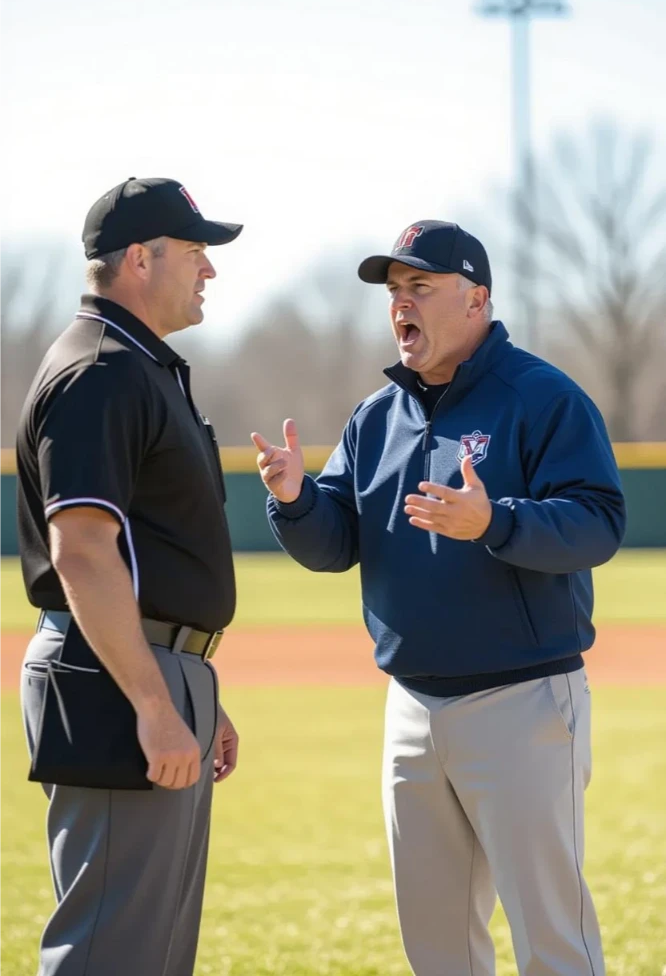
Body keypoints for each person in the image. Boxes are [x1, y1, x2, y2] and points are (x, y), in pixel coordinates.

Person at [252, 220, 626, 976]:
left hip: (522, 701)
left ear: (477, 299)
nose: (401, 305)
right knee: (436, 946)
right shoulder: (375, 418)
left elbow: (599, 522)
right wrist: (294, 498)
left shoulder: (541, 397)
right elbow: (334, 543)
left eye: (420, 286)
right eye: (394, 291)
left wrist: (498, 521)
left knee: (552, 938)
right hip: (412, 706)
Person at [16, 176, 242, 976]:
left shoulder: (137, 365)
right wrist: (154, 698)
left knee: (149, 954)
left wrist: (192, 689)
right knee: (109, 952)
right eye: (196, 251)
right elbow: (81, 551)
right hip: (112, 681)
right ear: (140, 259)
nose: (210, 268)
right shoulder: (101, 370)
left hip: (148, 668)